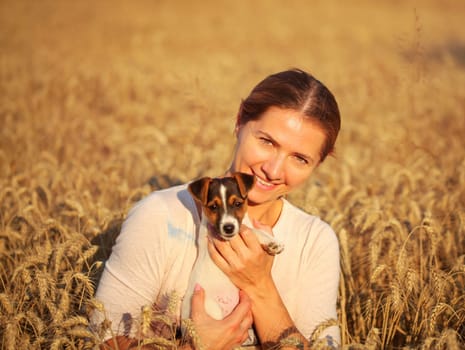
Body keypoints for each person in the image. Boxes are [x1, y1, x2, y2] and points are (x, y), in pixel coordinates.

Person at [91, 68, 342, 349]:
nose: (273, 170)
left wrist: (260, 286)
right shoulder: (160, 216)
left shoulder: (315, 242)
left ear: (318, 164)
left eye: (300, 159)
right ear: (239, 122)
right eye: (267, 141)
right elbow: (105, 339)